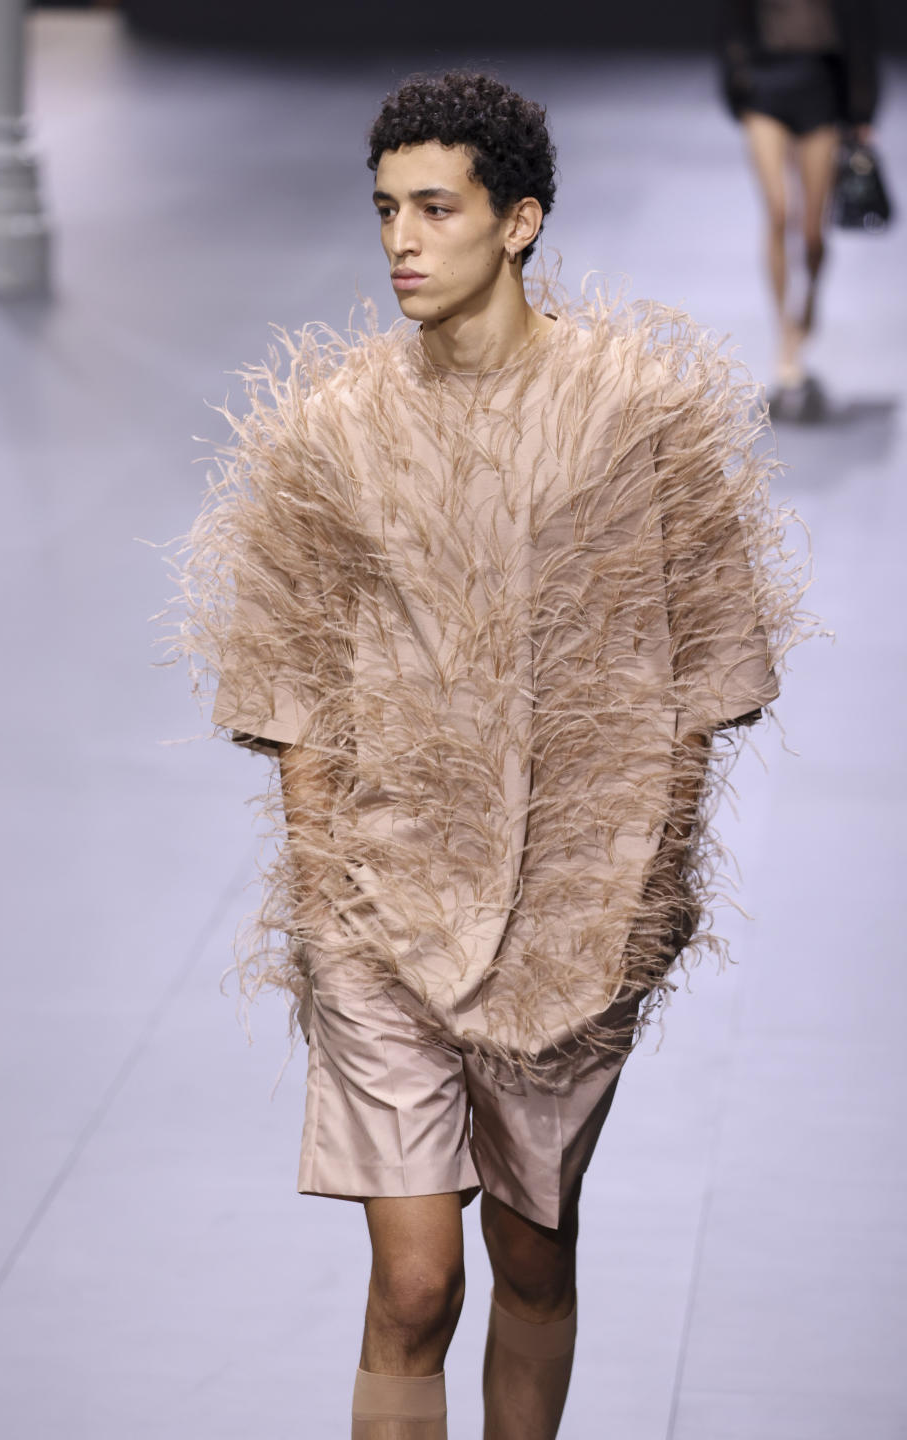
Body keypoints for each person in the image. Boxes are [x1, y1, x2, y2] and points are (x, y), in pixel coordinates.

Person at [177, 70, 806, 1440]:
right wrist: (326, 883)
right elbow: (286, 680)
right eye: (387, 210)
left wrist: (642, 891)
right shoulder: (330, 428)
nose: (403, 240)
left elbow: (708, 664)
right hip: (379, 901)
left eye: (437, 208)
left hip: (578, 909)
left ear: (519, 221)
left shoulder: (641, 412)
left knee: (532, 1252)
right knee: (414, 1283)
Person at [720, 0, 879, 415]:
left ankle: (809, 299)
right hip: (765, 84)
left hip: (821, 89)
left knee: (812, 234)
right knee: (777, 211)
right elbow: (733, 19)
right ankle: (785, 334)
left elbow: (860, 28)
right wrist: (736, 82)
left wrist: (862, 108)